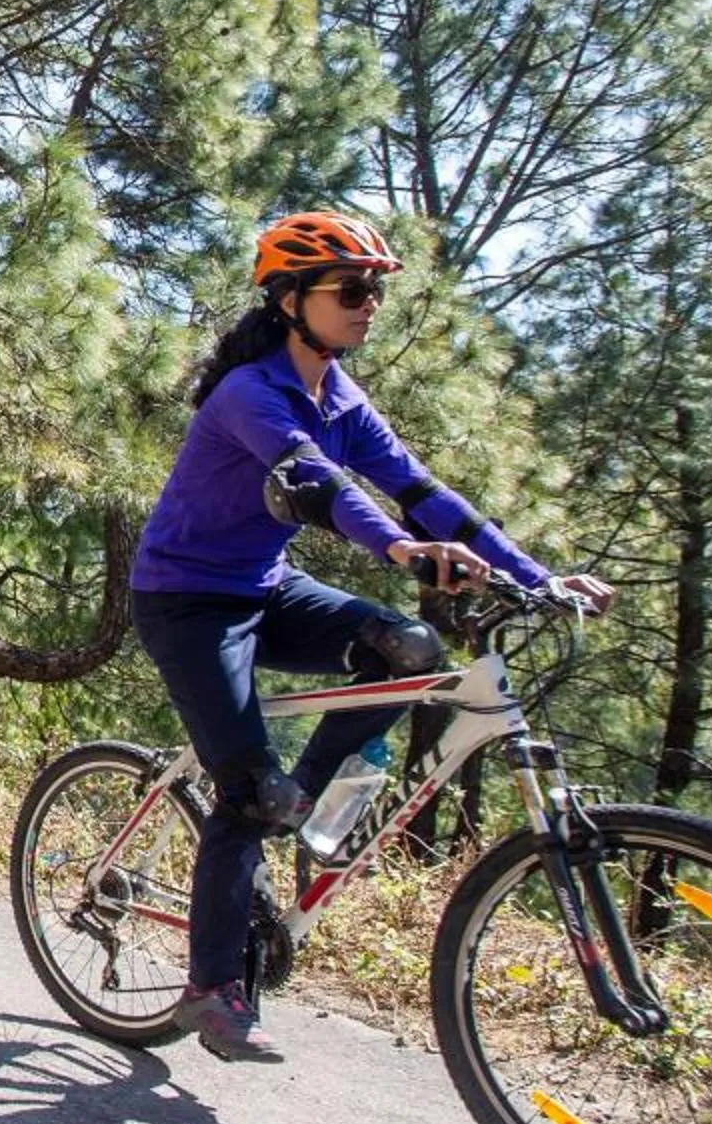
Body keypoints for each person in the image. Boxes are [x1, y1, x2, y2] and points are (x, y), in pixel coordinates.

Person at [130, 212, 614, 1062]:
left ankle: (303, 802)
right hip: (187, 601)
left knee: (407, 650)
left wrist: (538, 577)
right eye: (351, 291)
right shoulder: (250, 392)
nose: (369, 306)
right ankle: (212, 985)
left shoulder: (340, 397)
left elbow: (424, 492)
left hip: (267, 588)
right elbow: (319, 489)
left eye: (376, 292)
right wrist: (398, 547)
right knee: (248, 793)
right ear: (289, 299)